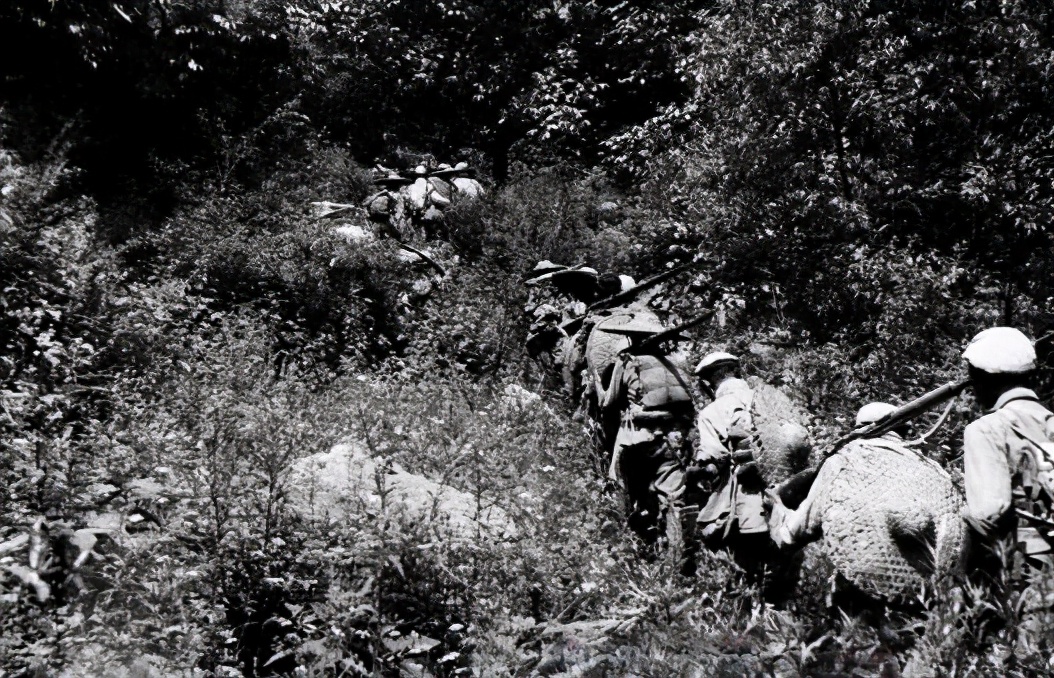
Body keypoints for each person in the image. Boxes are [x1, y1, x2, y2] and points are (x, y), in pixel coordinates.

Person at [960, 326, 1054, 650]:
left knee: (1027, 659)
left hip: (1029, 579)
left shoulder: (987, 429)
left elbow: (988, 512)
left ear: (982, 378)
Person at [597, 319, 695, 545]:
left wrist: (601, 390)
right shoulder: (673, 363)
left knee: (620, 482)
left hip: (639, 438)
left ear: (630, 337)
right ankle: (679, 546)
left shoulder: (627, 360)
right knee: (672, 494)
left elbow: (609, 402)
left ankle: (628, 539)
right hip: (673, 437)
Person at [691, 352, 768, 545]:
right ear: (736, 372)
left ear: (709, 382)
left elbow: (714, 457)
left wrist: (697, 471)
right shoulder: (764, 397)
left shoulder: (711, 411)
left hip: (745, 489)